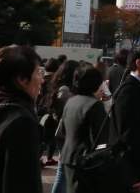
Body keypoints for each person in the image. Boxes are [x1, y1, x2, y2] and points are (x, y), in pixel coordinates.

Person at [108, 45, 140, 193]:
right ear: (139, 63)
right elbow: (130, 136)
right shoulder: (129, 92)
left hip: (137, 169)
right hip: (133, 173)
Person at [0, 45, 44, 193]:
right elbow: (23, 183)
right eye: (38, 72)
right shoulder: (22, 122)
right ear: (22, 79)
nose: (42, 80)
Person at [59, 63, 106, 193]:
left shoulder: (71, 101)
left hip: (68, 156)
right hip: (86, 162)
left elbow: (62, 130)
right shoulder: (95, 105)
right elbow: (100, 140)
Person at [49, 60, 79, 193]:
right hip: (64, 133)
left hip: (65, 132)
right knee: (62, 169)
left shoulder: (64, 87)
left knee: (63, 169)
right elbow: (65, 107)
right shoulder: (65, 89)